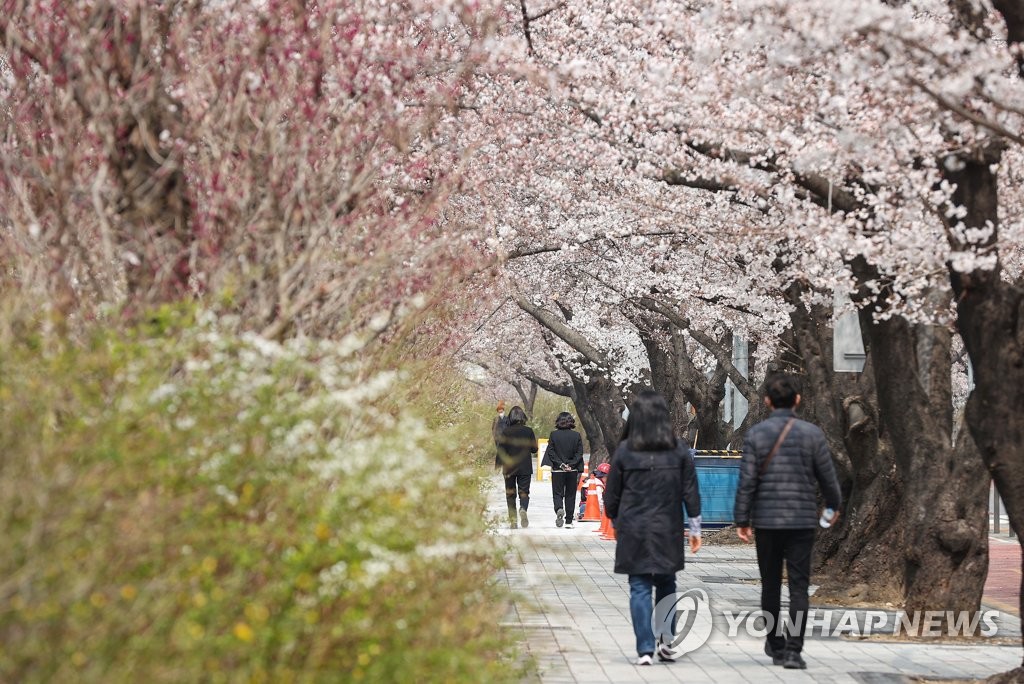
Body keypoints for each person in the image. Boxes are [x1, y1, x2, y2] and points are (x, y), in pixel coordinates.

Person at [733, 372, 842, 671]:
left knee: (769, 585)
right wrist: (833, 506)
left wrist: (742, 518)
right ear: (797, 400)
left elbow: (747, 482)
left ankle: (775, 644)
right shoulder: (812, 434)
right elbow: (828, 478)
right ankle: (794, 650)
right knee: (798, 586)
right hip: (802, 520)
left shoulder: (756, 435)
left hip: (767, 522)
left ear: (767, 401)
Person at [604, 390, 702, 666]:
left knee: (639, 586)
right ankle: (667, 640)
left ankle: (645, 649)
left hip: (633, 527)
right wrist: (695, 528)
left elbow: (611, 495)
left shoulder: (624, 452)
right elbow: (690, 491)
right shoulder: (679, 450)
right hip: (667, 526)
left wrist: (615, 520)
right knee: (666, 582)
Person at [496, 405, 537, 529]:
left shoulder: (506, 432)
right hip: (525, 467)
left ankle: (513, 521)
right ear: (523, 417)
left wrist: (498, 464)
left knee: (510, 493)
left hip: (509, 468)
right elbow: (534, 449)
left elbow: (501, 450)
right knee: (524, 492)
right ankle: (523, 508)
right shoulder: (528, 431)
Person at [544, 411, 585, 528]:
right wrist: (571, 464)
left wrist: (561, 464)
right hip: (572, 470)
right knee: (570, 494)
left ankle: (559, 508)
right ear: (571, 421)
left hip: (557, 470)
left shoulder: (553, 435)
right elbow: (579, 453)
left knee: (557, 493)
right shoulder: (576, 435)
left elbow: (551, 452)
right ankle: (568, 521)